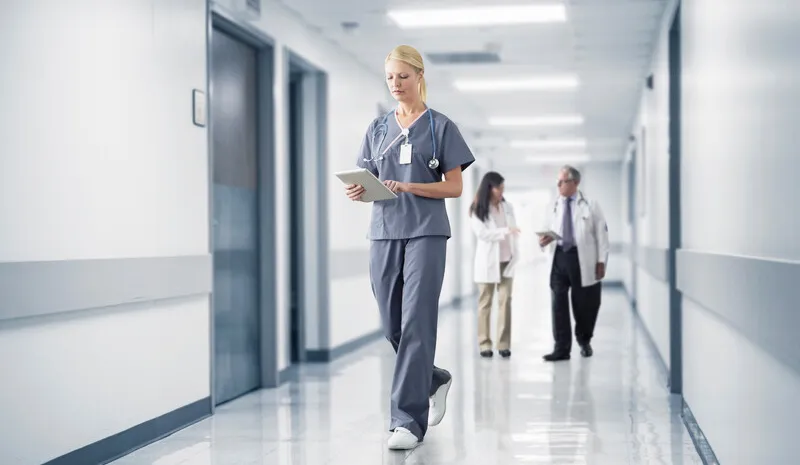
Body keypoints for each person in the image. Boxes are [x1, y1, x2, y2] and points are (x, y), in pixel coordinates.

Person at [343, 44, 475, 450]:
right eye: (390, 78)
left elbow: (454, 186)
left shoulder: (440, 127)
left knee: (417, 320)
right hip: (384, 230)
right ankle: (433, 378)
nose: (396, 84)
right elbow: (370, 179)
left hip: (427, 232)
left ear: (419, 76)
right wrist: (358, 190)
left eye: (403, 76)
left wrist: (411, 187)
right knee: (392, 324)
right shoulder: (377, 129)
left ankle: (407, 422)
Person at [538, 165, 609, 362]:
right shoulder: (553, 205)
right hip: (559, 256)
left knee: (584, 304)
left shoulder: (591, 205)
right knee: (558, 304)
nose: (559, 185)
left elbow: (602, 236)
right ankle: (561, 348)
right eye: (558, 182)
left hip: (582, 258)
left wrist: (601, 261)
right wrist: (543, 240)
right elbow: (545, 229)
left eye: (563, 181)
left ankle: (584, 340)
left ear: (575, 183)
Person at [469, 171, 520, 359]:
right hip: (487, 263)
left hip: (507, 261)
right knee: (485, 303)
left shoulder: (508, 207)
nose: (501, 192)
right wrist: (505, 231)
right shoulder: (477, 209)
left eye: (503, 188)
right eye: (499, 188)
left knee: (505, 302)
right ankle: (484, 344)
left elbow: (514, 230)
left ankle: (504, 344)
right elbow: (483, 234)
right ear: (489, 188)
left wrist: (511, 235)